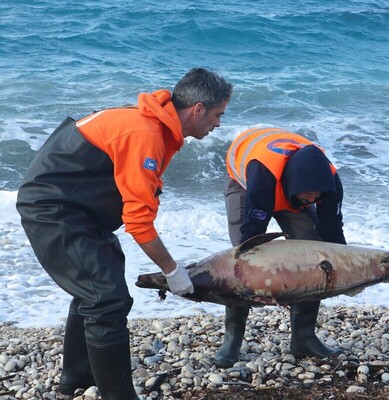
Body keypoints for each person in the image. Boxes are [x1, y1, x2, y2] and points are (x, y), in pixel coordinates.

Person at [16, 68, 233, 399]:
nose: (218, 124)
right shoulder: (145, 133)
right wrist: (172, 272)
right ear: (197, 109)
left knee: (100, 282)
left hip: (82, 208)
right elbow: (138, 222)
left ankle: (76, 377)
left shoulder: (158, 127)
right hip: (54, 207)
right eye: (218, 115)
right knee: (107, 298)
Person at [215, 127, 346, 368]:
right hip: (247, 184)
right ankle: (232, 338)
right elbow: (252, 236)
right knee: (245, 260)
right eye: (309, 196)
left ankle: (303, 337)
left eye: (317, 197)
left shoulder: (328, 183)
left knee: (313, 252)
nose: (313, 200)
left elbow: (333, 231)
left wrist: (345, 273)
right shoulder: (263, 174)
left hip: (290, 185)